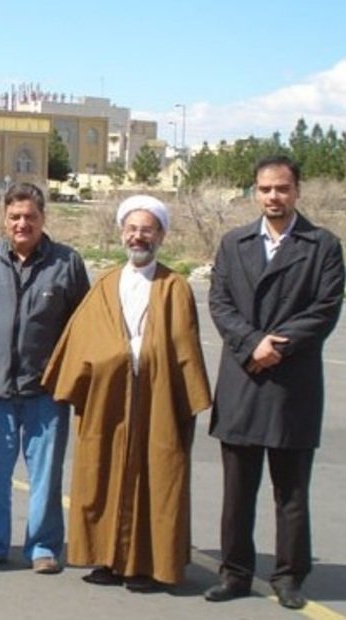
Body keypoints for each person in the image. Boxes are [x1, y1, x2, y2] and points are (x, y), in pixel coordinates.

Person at [41, 196, 212, 592]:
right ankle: (107, 560)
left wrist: (146, 357)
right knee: (102, 472)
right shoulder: (105, 284)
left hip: (158, 398)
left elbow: (184, 346)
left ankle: (149, 565)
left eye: (147, 229)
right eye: (132, 229)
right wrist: (109, 359)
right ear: (122, 233)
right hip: (109, 399)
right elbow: (81, 338)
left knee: (158, 475)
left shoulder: (176, 287)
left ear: (161, 235)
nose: (139, 237)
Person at [203, 155, 345, 610]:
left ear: (297, 191)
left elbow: (324, 309)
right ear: (255, 192)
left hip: (292, 385)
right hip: (243, 381)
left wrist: (277, 347)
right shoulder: (234, 243)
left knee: (291, 492)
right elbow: (220, 302)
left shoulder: (322, 245)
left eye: (282, 188)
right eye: (265, 189)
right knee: (237, 493)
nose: (273, 197)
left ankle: (289, 575)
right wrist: (252, 345)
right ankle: (235, 573)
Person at [0, 182, 89, 574]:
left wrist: (71, 377)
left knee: (46, 477)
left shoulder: (67, 262)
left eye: (30, 217)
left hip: (46, 392)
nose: (22, 224)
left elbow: (82, 327)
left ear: (43, 219)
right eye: (15, 217)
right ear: (4, 219)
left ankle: (43, 548)